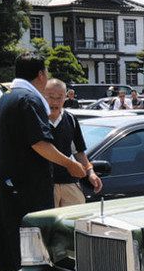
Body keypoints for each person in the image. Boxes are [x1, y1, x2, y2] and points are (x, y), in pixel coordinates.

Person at [0, 53, 86, 271]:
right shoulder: (29, 99)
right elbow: (40, 143)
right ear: (41, 74)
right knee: (33, 243)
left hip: (8, 181)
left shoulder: (6, 97)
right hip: (27, 184)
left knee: (12, 240)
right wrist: (70, 164)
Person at [44, 78, 102, 206]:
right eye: (50, 97)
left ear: (65, 98)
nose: (55, 102)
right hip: (45, 184)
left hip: (70, 182)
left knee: (78, 216)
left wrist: (90, 173)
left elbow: (78, 152)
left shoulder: (70, 119)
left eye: (59, 97)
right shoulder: (37, 118)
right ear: (43, 96)